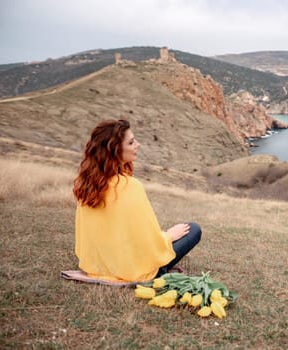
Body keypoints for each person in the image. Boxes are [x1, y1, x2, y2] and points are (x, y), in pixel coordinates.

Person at [73, 119, 201, 282]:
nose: (138, 145)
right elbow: (148, 243)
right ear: (115, 149)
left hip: (94, 266)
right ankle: (160, 271)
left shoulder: (86, 185)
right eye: (132, 142)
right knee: (194, 229)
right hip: (131, 269)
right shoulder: (130, 186)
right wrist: (169, 236)